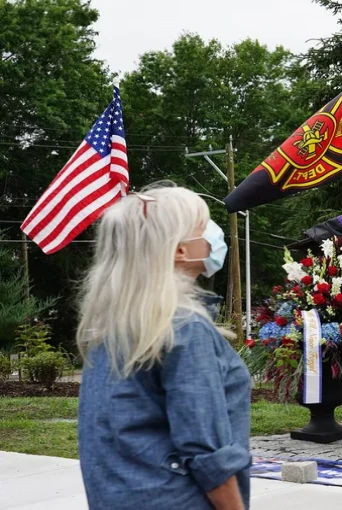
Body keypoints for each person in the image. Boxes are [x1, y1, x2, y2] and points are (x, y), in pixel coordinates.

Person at [76, 185, 251, 510]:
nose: (212, 235)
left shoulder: (110, 326)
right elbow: (205, 450)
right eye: (204, 226)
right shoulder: (184, 327)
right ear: (180, 250)